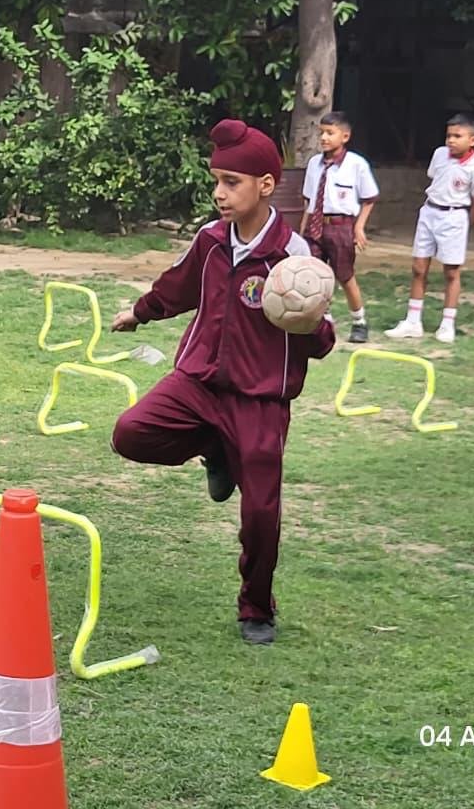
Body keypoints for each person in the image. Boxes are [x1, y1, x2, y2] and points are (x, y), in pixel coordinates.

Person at [109, 118, 336, 646]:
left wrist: (311, 327)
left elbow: (322, 338)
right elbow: (178, 286)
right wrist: (140, 313)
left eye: (231, 182)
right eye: (216, 180)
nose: (219, 193)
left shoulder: (295, 255)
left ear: (264, 184)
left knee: (260, 512)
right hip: (199, 382)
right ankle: (213, 448)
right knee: (130, 433)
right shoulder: (211, 241)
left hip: (260, 399)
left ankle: (256, 606)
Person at [384, 114, 474, 343]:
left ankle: (447, 323)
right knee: (419, 267)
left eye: (457, 136)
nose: (451, 141)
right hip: (430, 211)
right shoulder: (440, 155)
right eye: (448, 135)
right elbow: (434, 177)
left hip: (454, 216)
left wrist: (465, 222)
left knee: (451, 271)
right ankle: (413, 321)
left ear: (473, 140)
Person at [298, 111, 380, 343]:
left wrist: (359, 228)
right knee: (314, 275)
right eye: (321, 133)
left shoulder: (356, 164)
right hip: (314, 226)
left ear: (345, 136)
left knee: (344, 274)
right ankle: (324, 319)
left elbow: (369, 198)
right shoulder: (314, 163)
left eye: (330, 133)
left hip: (340, 226)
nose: (324, 138)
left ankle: (359, 320)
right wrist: (302, 232)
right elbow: (309, 201)